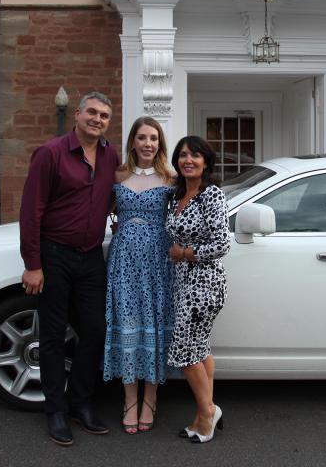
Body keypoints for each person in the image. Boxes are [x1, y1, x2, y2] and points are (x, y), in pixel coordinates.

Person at [19, 91, 119, 447]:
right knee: (52, 334)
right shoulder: (50, 154)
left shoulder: (110, 156)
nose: (97, 119)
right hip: (54, 256)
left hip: (90, 256)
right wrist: (33, 264)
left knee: (95, 329)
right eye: (92, 112)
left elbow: (112, 199)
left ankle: (80, 403)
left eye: (104, 115)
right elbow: (31, 211)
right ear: (77, 114)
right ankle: (55, 411)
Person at [103, 117, 175, 434]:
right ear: (132, 141)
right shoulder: (118, 174)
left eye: (154, 138)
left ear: (160, 143)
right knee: (128, 324)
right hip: (124, 262)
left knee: (153, 326)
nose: (148, 143)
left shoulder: (170, 178)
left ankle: (151, 399)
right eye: (142, 137)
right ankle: (129, 399)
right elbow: (101, 207)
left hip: (158, 263)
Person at [165, 135, 230, 444]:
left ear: (206, 161)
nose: (187, 160)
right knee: (200, 349)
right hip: (185, 285)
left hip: (204, 284)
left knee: (185, 353)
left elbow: (222, 243)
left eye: (195, 155)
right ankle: (205, 411)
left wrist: (185, 253)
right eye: (182, 155)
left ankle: (207, 413)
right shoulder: (178, 195)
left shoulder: (211, 195)